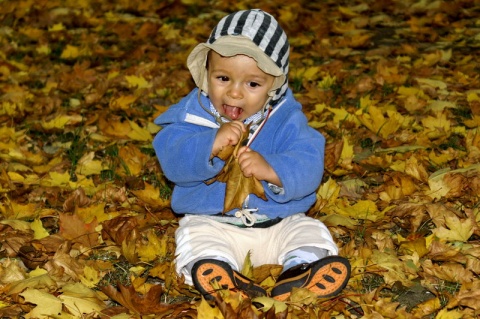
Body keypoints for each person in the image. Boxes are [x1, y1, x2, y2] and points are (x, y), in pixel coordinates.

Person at [152, 9, 350, 301]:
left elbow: (308, 160)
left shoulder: (286, 119)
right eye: (223, 78)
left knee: (309, 230)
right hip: (214, 223)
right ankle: (220, 273)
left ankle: (300, 269)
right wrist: (209, 145)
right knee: (193, 238)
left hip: (279, 221)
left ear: (273, 87)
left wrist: (272, 169)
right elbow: (172, 156)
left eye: (252, 84)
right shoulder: (190, 117)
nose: (234, 93)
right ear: (206, 75)